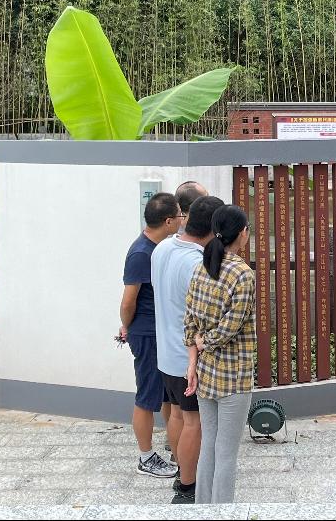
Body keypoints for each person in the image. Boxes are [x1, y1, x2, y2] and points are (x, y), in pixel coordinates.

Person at [152, 195, 225, 503]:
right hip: (188, 359)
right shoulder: (197, 263)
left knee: (177, 415)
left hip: (166, 354)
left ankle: (182, 470)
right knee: (194, 422)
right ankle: (187, 487)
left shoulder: (162, 248)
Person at [184, 205, 256, 504]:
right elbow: (231, 327)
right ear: (242, 233)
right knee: (226, 453)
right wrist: (206, 342)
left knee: (209, 447)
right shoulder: (242, 274)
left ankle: (203, 509)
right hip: (234, 375)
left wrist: (193, 361)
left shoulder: (200, 268)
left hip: (205, 372)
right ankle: (222, 512)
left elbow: (189, 319)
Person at [119, 192, 181, 478]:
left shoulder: (161, 248)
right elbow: (128, 302)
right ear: (168, 221)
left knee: (167, 395)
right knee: (147, 395)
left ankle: (174, 446)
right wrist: (127, 326)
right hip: (146, 334)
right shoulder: (141, 253)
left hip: (160, 332)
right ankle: (145, 457)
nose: (182, 220)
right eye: (180, 215)